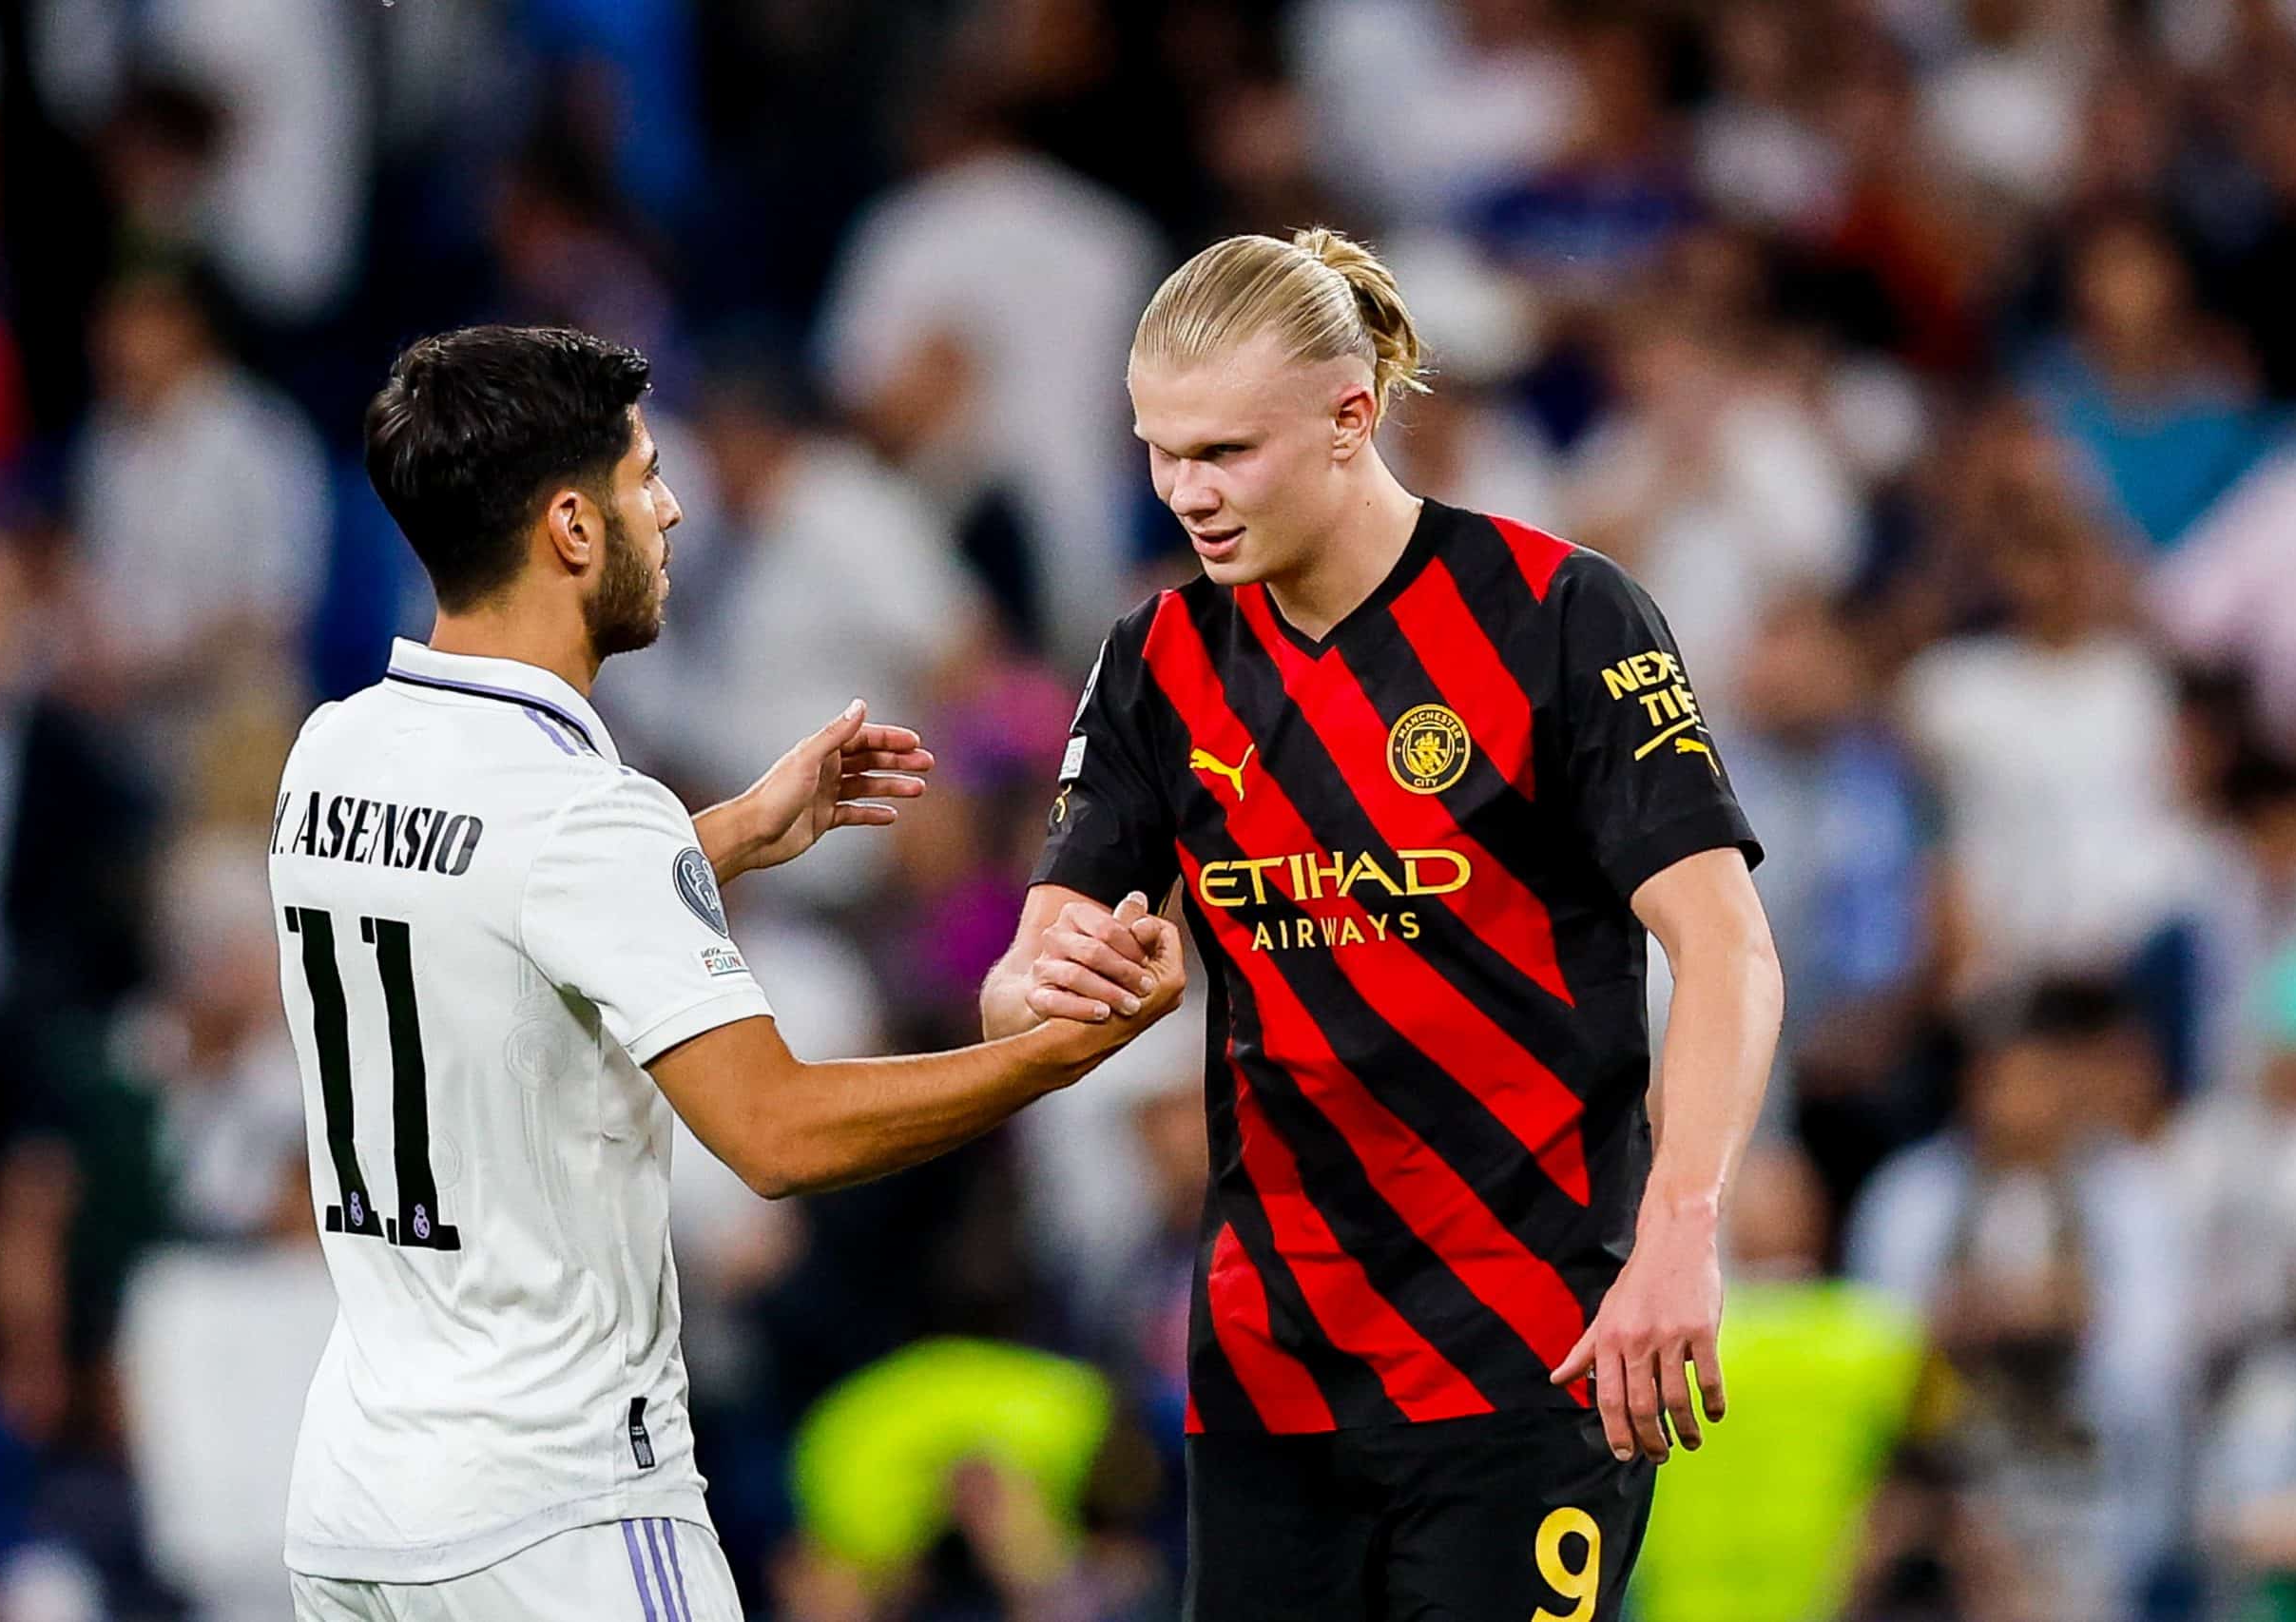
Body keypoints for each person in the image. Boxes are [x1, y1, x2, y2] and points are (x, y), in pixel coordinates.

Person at [274, 325, 1184, 1622]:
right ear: (574, 529)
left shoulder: (333, 754)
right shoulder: (588, 816)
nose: (675, 505)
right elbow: (776, 1132)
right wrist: (1055, 1052)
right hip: (557, 1512)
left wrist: (722, 839)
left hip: (357, 1502)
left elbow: (488, 910)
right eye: (646, 476)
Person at [980, 230, 1784, 1621]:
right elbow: (1018, 988)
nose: (1187, 495)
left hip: (1532, 1352)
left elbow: (1725, 946)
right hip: (1268, 1370)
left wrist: (1682, 1230)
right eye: (1160, 452)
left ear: (1353, 417)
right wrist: (1068, 977)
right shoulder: (1157, 663)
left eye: (1225, 450)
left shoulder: (1561, 615)